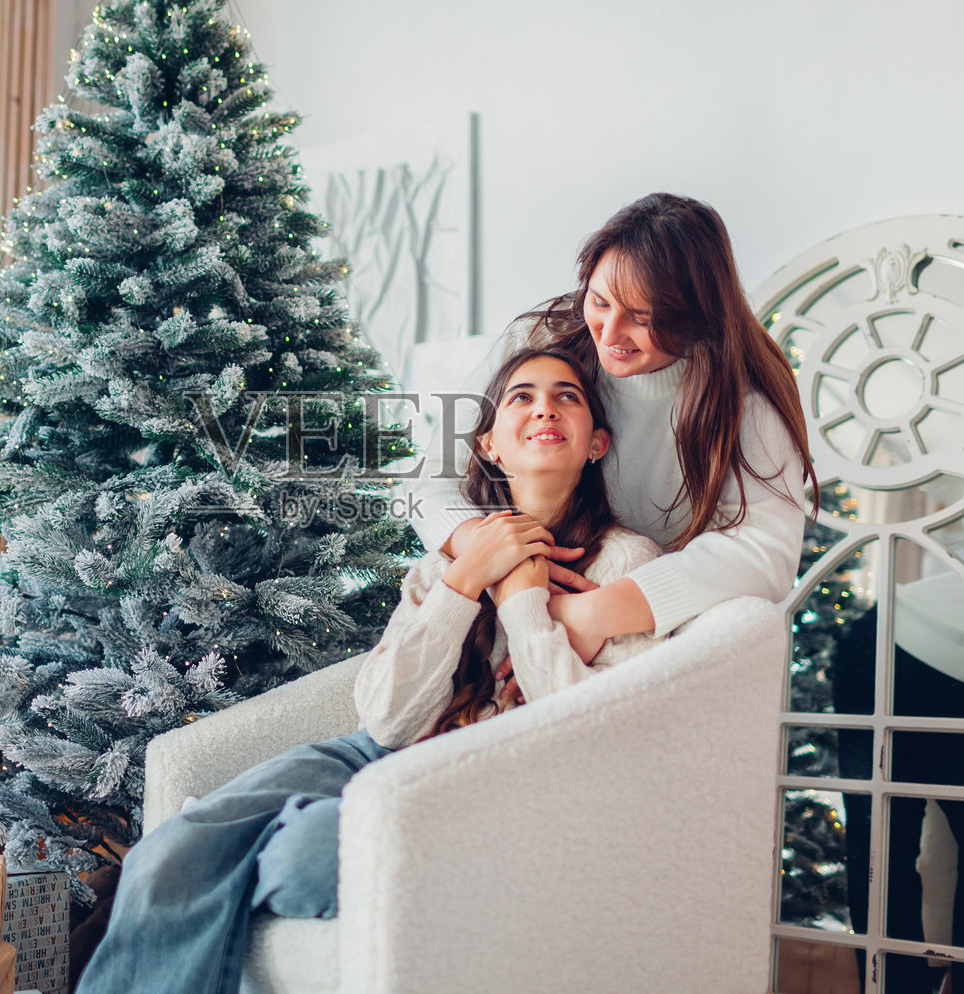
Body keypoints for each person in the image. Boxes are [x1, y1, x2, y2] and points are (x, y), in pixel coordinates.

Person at [77, 346, 663, 993]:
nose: (544, 406)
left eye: (567, 396)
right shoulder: (445, 558)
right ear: (491, 445)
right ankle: (254, 839)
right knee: (166, 856)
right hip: (374, 751)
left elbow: (591, 734)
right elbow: (385, 716)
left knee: (301, 856)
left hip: (485, 782)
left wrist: (524, 602)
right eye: (521, 396)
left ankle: (275, 835)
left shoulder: (626, 565)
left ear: (598, 443)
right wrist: (464, 579)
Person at [410, 192, 817, 653]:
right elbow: (429, 480)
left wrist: (588, 615)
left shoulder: (744, 398)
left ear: (697, 317)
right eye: (599, 301)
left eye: (642, 318)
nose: (609, 332)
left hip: (634, 639)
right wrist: (496, 557)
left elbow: (766, 554)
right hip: (503, 609)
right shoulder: (541, 339)